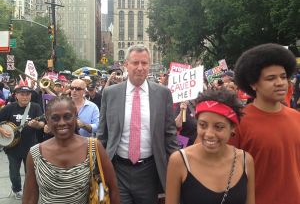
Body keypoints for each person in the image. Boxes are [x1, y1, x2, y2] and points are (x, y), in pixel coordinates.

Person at [98, 44, 179, 204]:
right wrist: (97, 168)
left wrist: (178, 164)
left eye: (144, 63)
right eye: (135, 63)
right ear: (126, 64)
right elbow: (102, 135)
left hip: (150, 171)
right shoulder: (110, 93)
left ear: (149, 65)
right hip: (117, 170)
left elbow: (170, 135)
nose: (140, 68)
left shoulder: (163, 94)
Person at [232, 43, 300, 204]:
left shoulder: (296, 117)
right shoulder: (238, 123)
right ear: (253, 84)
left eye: (283, 77)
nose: (280, 82)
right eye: (271, 78)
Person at [22, 96, 120, 204]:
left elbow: (112, 188)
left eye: (67, 116)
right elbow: (30, 198)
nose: (62, 123)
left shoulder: (93, 147)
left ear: (76, 117)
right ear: (47, 119)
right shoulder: (35, 154)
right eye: (55, 118)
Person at [166, 89, 255, 204]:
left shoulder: (245, 161)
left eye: (218, 127)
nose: (209, 134)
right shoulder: (179, 161)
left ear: (232, 127)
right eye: (203, 125)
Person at [0, 85, 45, 200]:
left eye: (28, 94)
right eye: (22, 94)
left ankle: (28, 190)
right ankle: (16, 189)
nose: (25, 97)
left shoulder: (35, 107)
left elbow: (42, 124)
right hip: (12, 147)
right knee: (14, 172)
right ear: (16, 95)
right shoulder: (8, 108)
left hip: (30, 146)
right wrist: (2, 130)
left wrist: (37, 124)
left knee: (30, 172)